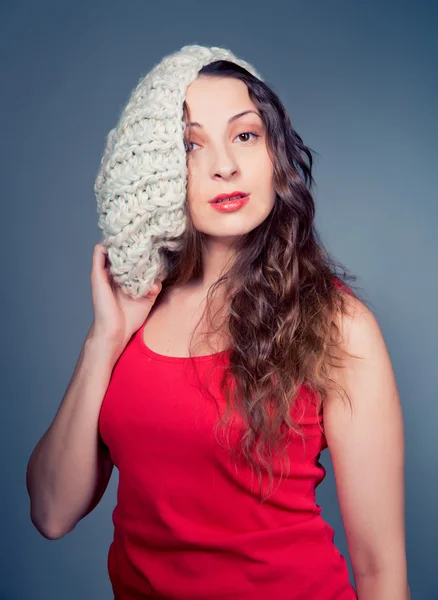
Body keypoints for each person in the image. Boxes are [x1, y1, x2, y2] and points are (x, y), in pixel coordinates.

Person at [26, 45, 410, 599]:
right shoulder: (133, 315)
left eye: (245, 135)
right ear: (158, 171)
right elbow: (51, 512)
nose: (224, 165)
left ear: (275, 152)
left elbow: (380, 572)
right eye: (190, 144)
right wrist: (103, 339)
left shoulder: (338, 323)